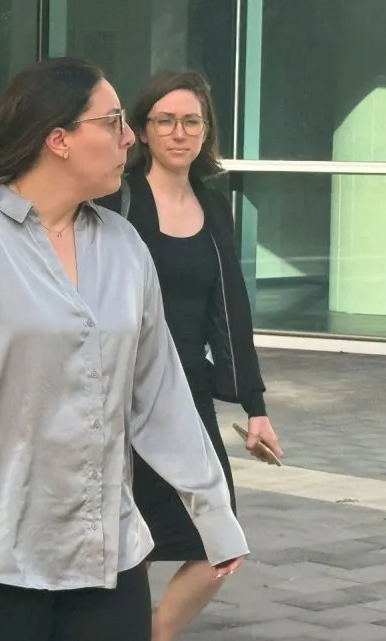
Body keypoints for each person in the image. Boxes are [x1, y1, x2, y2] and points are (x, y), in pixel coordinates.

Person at [0, 57, 249, 641]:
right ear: (59, 139)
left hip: (108, 553)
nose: (130, 137)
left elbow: (160, 396)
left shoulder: (125, 247)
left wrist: (213, 511)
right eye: (113, 121)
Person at [96, 70, 283, 641]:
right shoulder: (116, 200)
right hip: (118, 391)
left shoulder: (213, 205)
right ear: (142, 130)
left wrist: (254, 406)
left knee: (217, 540)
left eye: (192, 122)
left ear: (206, 131)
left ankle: (152, 634)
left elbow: (230, 308)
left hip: (187, 396)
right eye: (166, 121)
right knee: (126, 538)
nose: (179, 133)